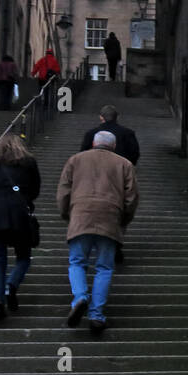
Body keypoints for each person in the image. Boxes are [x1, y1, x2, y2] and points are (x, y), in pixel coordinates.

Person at [57, 130, 139, 333]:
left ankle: (80, 297)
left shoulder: (75, 160)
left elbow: (64, 191)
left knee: (77, 262)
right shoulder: (124, 164)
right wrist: (123, 220)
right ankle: (96, 315)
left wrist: (67, 214)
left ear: (94, 143)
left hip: (81, 215)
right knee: (104, 267)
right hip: (110, 218)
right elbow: (131, 197)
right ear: (113, 146)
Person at [0, 134, 41, 320]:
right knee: (23, 257)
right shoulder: (29, 163)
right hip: (20, 213)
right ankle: (11, 285)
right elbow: (35, 189)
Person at [80, 105, 140, 262]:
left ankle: (94, 241)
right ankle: (115, 243)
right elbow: (135, 154)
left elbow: (83, 155)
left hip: (93, 179)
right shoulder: (128, 133)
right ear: (116, 117)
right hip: (119, 179)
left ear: (101, 117)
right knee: (118, 210)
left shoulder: (91, 134)